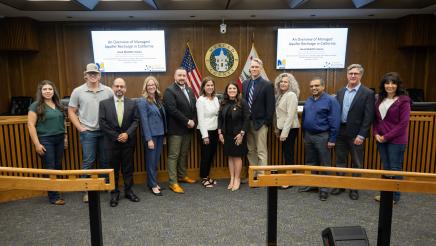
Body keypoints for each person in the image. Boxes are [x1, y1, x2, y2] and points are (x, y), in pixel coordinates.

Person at [68, 63, 113, 203]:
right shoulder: (77, 91)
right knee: (88, 162)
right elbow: (71, 111)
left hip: (105, 132)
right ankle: (86, 189)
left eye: (95, 73)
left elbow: (114, 108)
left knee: (106, 160)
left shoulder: (108, 91)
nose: (93, 75)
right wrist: (80, 127)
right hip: (88, 133)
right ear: (85, 75)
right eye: (90, 73)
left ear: (99, 75)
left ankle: (107, 185)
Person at [332, 64, 375, 200]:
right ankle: (340, 185)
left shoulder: (367, 93)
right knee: (340, 160)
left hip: (356, 133)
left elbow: (368, 117)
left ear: (361, 75)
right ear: (347, 75)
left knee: (356, 162)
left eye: (356, 73)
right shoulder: (340, 92)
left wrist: (362, 135)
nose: (353, 76)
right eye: (351, 73)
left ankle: (354, 188)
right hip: (341, 131)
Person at [99, 78, 140, 207]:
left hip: (128, 142)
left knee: (128, 168)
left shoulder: (132, 103)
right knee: (114, 170)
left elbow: (136, 121)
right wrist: (117, 136)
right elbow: (102, 123)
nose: (119, 89)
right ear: (112, 88)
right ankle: (114, 193)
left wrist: (127, 134)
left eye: (122, 86)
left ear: (125, 88)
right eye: (117, 86)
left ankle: (128, 191)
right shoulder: (104, 103)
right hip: (112, 142)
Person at [299, 77, 340, 201]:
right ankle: (312, 184)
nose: (314, 88)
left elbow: (335, 120)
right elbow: (305, 117)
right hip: (309, 136)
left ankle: (324, 189)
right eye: (311, 86)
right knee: (311, 162)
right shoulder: (309, 99)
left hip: (323, 136)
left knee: (324, 164)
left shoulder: (330, 100)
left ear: (323, 86)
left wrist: (332, 139)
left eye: (316, 86)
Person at [373, 72, 411, 204]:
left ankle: (395, 196)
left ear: (397, 85)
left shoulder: (403, 100)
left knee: (395, 168)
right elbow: (376, 120)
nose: (390, 85)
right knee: (386, 167)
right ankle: (387, 195)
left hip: (396, 141)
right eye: (387, 83)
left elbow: (403, 124)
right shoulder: (379, 99)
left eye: (393, 83)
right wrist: (376, 134)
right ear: (383, 85)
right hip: (381, 139)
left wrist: (386, 137)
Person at [28, 80, 67, 205]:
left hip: (59, 139)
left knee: (58, 165)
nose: (48, 91)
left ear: (53, 91)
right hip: (45, 140)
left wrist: (65, 137)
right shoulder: (35, 106)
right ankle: (54, 197)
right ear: (41, 91)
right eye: (45, 89)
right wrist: (37, 144)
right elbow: (30, 125)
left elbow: (63, 122)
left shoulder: (59, 104)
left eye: (50, 89)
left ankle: (57, 190)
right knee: (50, 167)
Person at [163, 67, 197, 194]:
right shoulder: (169, 90)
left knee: (183, 154)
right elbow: (172, 110)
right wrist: (187, 121)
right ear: (175, 76)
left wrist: (193, 120)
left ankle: (182, 176)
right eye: (179, 75)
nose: (182, 77)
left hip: (188, 129)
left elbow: (193, 108)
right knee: (174, 156)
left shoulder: (189, 90)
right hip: (176, 129)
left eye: (184, 75)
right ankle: (173, 182)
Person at [242, 58, 275, 177]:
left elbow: (270, 106)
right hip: (247, 123)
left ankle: (262, 176)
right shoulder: (245, 83)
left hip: (260, 124)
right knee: (251, 150)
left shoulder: (267, 85)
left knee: (261, 151)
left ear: (260, 68)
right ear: (249, 69)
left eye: (257, 67)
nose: (254, 69)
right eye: (252, 67)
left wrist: (266, 123)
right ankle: (253, 174)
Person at [137, 76, 166, 196]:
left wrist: (164, 135)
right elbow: (143, 121)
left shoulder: (158, 99)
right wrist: (149, 139)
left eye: (153, 85)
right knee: (150, 161)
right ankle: (153, 185)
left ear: (156, 86)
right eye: (149, 85)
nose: (151, 87)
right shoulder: (142, 101)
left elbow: (162, 118)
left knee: (155, 161)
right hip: (151, 137)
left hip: (160, 134)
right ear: (145, 87)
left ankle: (152, 182)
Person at [218, 82, 250, 191]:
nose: (232, 90)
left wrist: (242, 133)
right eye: (230, 88)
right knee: (230, 156)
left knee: (237, 157)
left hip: (238, 135)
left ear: (237, 90)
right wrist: (220, 133)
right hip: (226, 134)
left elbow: (247, 119)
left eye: (234, 88)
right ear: (227, 91)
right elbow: (220, 119)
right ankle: (231, 178)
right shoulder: (223, 102)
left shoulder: (242, 102)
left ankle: (237, 179)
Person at [274, 73, 300, 189]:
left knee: (288, 154)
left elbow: (290, 116)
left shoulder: (291, 95)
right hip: (283, 128)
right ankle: (290, 177)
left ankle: (289, 180)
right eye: (281, 81)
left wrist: (284, 133)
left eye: (285, 82)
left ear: (290, 84)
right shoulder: (281, 95)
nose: (283, 83)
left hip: (290, 129)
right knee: (286, 153)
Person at [196, 77, 220, 188]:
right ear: (203, 87)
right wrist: (205, 136)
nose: (210, 87)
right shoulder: (201, 100)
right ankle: (204, 178)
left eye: (211, 85)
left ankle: (207, 175)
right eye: (207, 85)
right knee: (206, 156)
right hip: (205, 132)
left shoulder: (215, 98)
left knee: (211, 155)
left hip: (214, 130)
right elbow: (200, 119)